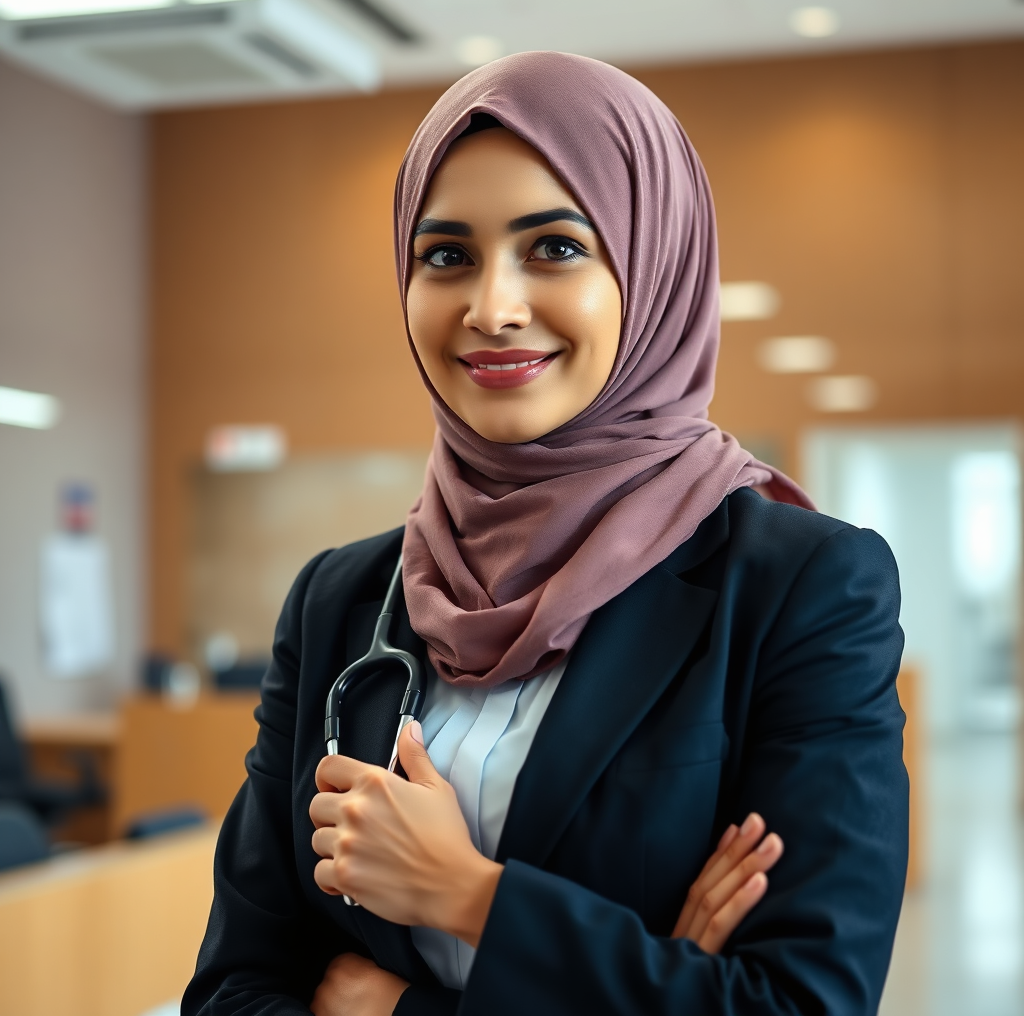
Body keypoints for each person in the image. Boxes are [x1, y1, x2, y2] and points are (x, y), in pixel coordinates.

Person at [182, 52, 907, 1016]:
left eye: (555, 247)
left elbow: (799, 1003)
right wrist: (655, 975)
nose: (493, 308)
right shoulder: (340, 603)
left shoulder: (801, 589)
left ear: (654, 270)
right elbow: (235, 990)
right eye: (446, 256)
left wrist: (465, 906)